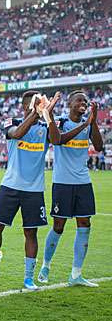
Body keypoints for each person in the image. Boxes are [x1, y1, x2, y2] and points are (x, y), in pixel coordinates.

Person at [0, 91, 61, 291]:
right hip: (10, 186)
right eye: (36, 105)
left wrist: (49, 116)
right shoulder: (11, 121)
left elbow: (57, 140)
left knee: (30, 233)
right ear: (27, 107)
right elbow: (16, 134)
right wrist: (34, 113)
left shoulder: (45, 126)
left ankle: (28, 277)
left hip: (34, 190)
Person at [38, 91, 104, 287]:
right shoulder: (60, 121)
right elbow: (57, 140)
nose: (83, 103)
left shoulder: (88, 124)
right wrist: (85, 124)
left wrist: (93, 122)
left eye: (85, 100)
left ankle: (76, 274)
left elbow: (99, 147)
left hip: (83, 182)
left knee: (85, 224)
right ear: (70, 104)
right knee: (59, 226)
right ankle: (45, 266)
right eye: (79, 100)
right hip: (63, 183)